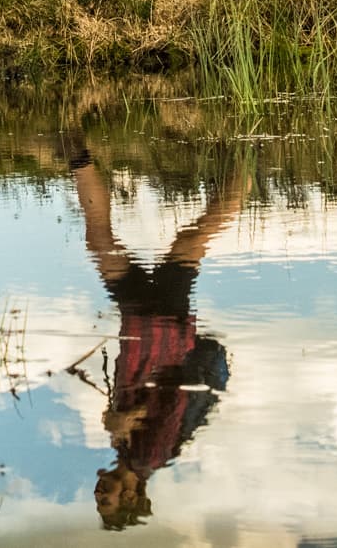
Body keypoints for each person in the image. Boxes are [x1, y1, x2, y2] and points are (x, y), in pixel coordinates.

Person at [60, 130, 244, 529]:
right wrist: (131, 417)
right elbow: (175, 396)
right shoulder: (149, 457)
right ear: (129, 496)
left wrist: (121, 417)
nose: (98, 496)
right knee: (194, 236)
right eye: (106, 503)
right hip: (162, 327)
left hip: (140, 323)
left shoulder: (127, 452)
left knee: (103, 240)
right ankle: (245, 153)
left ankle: (77, 152)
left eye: (98, 502)